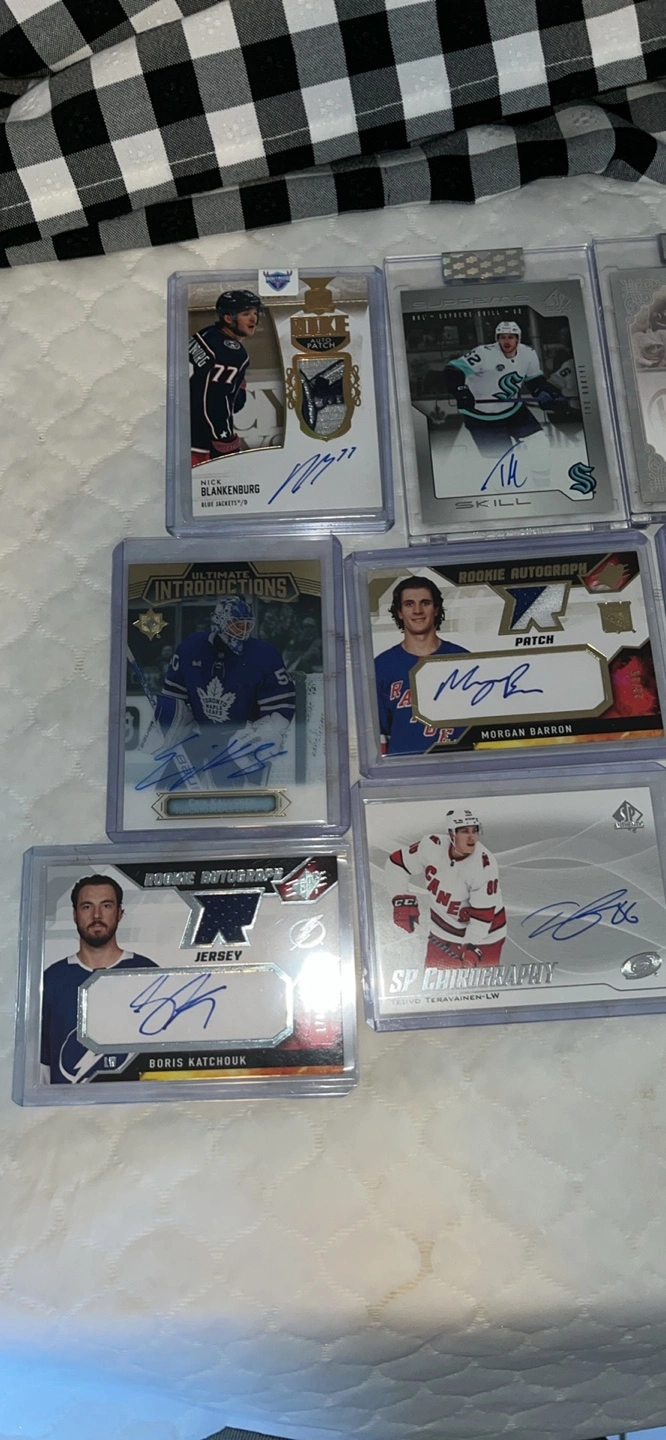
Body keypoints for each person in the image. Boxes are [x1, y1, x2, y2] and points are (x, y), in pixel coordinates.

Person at [154, 595, 296, 784]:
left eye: (247, 625)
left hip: (240, 737)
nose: (243, 632)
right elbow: (174, 696)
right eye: (237, 626)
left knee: (229, 794)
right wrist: (170, 723)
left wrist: (261, 734)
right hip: (200, 735)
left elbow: (281, 706)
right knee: (166, 787)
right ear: (219, 623)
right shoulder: (190, 649)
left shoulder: (264, 655)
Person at [41, 875, 157, 1085]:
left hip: (133, 1103)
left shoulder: (148, 973)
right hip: (69, 1104)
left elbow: (162, 1059)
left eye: (106, 905)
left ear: (119, 913)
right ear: (75, 915)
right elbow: (41, 1066)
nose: (96, 915)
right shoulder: (52, 980)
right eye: (87, 907)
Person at [386, 808, 507, 971]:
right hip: (441, 933)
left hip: (484, 938)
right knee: (433, 985)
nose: (472, 837)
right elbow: (397, 863)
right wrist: (400, 898)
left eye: (474, 831)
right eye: (465, 831)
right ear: (451, 834)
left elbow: (483, 917)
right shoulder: (431, 845)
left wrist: (471, 945)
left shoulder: (484, 865)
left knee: (479, 986)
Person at [442, 319, 568, 460]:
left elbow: (534, 380)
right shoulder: (483, 353)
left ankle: (542, 476)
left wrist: (542, 392)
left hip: (513, 411)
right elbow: (452, 370)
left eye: (511, 337)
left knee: (539, 443)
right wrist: (461, 392)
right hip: (481, 417)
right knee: (502, 462)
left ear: (518, 338)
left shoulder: (528, 353)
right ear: (497, 339)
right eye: (502, 337)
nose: (506, 341)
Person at [374, 577, 467, 755]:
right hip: (404, 767)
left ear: (436, 609)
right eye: (409, 604)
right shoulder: (382, 666)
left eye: (425, 603)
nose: (417, 611)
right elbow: (379, 732)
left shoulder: (464, 660)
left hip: (459, 764)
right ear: (399, 612)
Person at [189, 289, 262, 467]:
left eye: (255, 313)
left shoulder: (207, 334)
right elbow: (215, 401)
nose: (253, 319)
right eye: (246, 314)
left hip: (182, 429)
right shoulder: (232, 353)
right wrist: (224, 439)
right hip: (199, 443)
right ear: (228, 319)